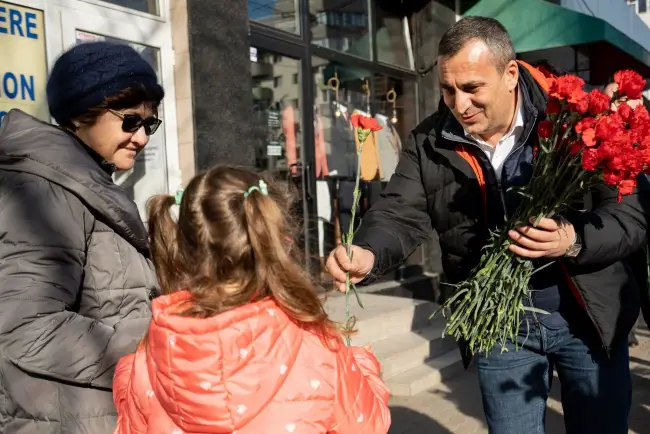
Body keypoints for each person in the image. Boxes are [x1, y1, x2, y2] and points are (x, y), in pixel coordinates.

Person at [326, 16, 650, 434]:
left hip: (588, 323)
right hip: (500, 326)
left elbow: (633, 213)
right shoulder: (429, 141)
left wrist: (573, 240)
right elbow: (398, 213)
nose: (459, 105)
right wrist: (367, 252)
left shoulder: (579, 118)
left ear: (510, 74)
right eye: (448, 89)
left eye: (472, 88)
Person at [112, 166, 391, 434]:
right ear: (275, 241)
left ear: (183, 249)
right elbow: (368, 426)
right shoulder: (318, 350)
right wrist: (362, 365)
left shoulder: (149, 359)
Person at [0, 41, 163, 433]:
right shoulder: (43, 192)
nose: (142, 138)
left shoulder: (85, 184)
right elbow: (25, 327)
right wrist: (153, 351)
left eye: (149, 124)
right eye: (129, 121)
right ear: (80, 115)